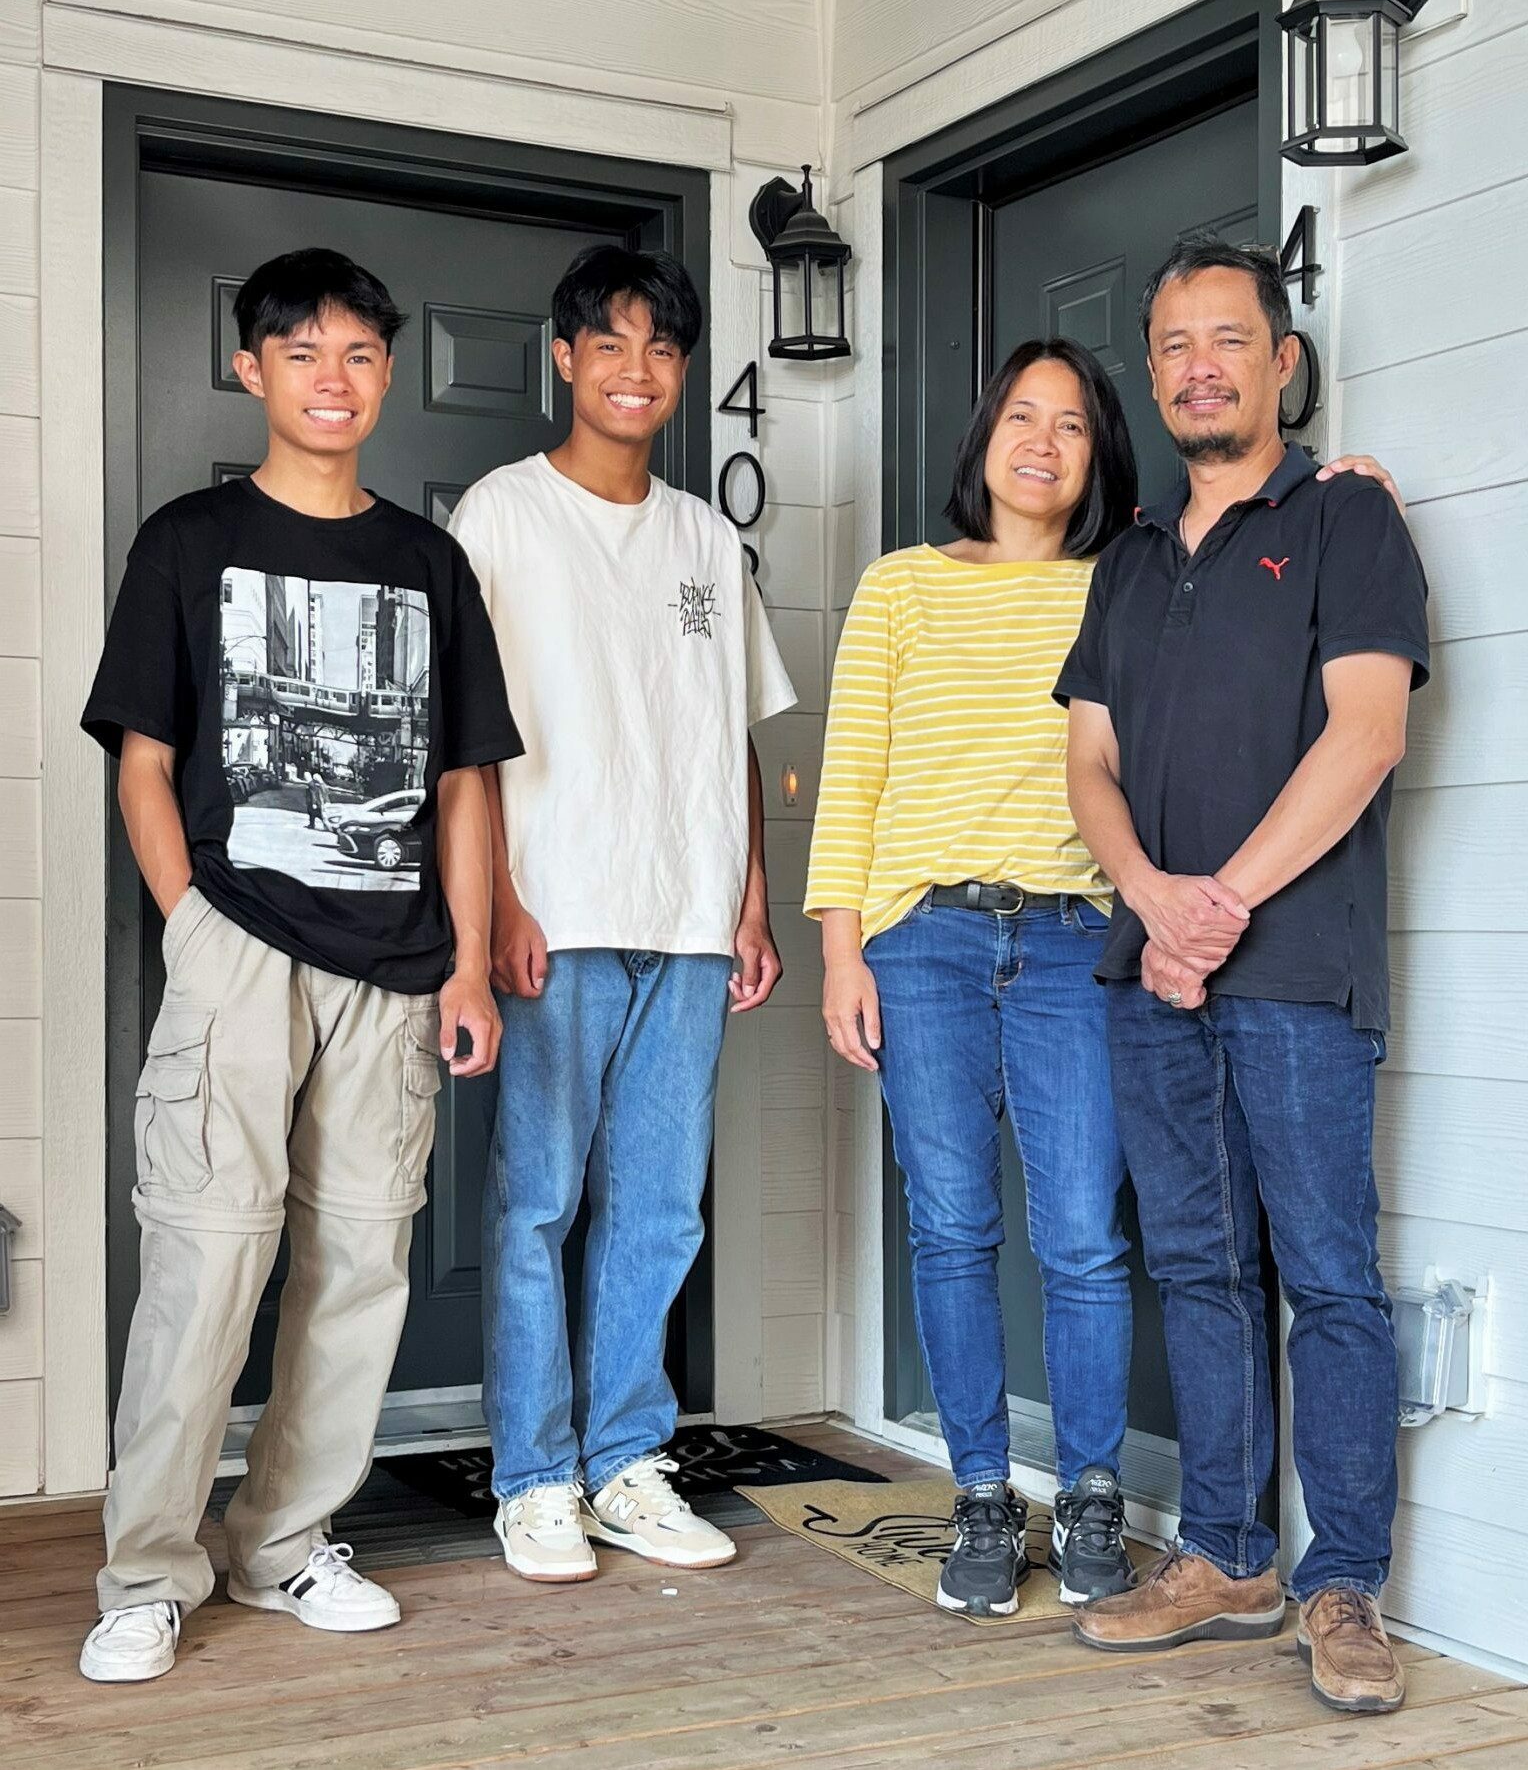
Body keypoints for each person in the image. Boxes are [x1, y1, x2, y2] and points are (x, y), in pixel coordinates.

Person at [808, 324, 1408, 1624]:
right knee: (951, 1225)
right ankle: (980, 1488)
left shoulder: (1125, 574)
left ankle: (1084, 1488)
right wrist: (840, 947)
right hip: (924, 940)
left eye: (1073, 423)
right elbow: (850, 772)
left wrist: (1347, 493)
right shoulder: (903, 586)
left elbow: (1252, 570)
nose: (1043, 441)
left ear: (1100, 453)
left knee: (1083, 1234)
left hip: (1082, 936)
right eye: (1022, 415)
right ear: (983, 436)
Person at [78, 247, 520, 1683]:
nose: (335, 380)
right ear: (250, 367)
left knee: (360, 1264)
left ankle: (278, 1543)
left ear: (387, 376)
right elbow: (145, 765)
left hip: (395, 964)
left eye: (360, 356)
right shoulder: (188, 540)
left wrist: (462, 967)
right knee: (206, 1264)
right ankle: (148, 1567)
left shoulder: (429, 560)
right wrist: (189, 920)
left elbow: (464, 780)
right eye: (305, 351)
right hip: (239, 948)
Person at [1060, 234, 1428, 1717]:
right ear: (1152, 373)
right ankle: (1226, 1553)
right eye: (1173, 345)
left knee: (1329, 1275)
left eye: (1229, 337)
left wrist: (1217, 905)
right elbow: (1086, 755)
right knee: (1197, 1267)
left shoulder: (1346, 524)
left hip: (1297, 976)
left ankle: (1343, 1585)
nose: (1199, 364)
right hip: (1154, 971)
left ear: (1282, 361)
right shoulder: (1133, 559)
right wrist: (1152, 897)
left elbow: (1367, 734)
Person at [450, 244, 796, 1586]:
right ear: (564, 356)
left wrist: (752, 898)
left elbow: (735, 740)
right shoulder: (499, 517)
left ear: (683, 371)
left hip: (691, 920)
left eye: (661, 348)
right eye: (611, 343)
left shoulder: (708, 534)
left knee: (659, 1208)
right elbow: (461, 741)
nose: (636, 370)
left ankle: (626, 1461)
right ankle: (535, 1475)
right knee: (539, 1199)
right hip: (558, 910)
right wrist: (495, 902)